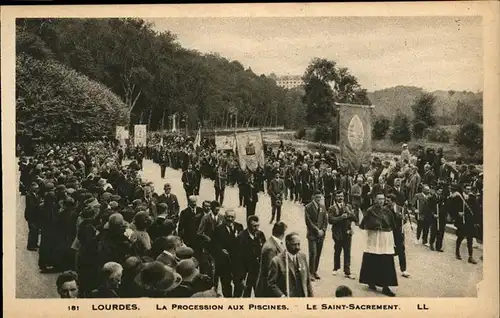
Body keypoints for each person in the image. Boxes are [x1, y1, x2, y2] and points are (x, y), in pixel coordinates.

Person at [359, 193, 398, 297]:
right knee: (372, 258)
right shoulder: (370, 211)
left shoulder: (388, 211)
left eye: (383, 199)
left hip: (385, 238)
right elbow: (363, 225)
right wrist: (372, 226)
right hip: (374, 238)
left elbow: (393, 225)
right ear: (375, 199)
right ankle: (371, 281)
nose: (381, 201)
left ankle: (386, 286)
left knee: (385, 259)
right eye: (379, 199)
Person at [267, 232, 314, 297]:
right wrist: (282, 296)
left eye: (298, 244)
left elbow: (307, 281)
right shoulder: (277, 261)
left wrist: (311, 298)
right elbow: (271, 283)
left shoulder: (303, 257)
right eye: (294, 244)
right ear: (287, 243)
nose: (297, 247)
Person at [212, 209, 244, 297]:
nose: (230, 219)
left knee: (239, 284)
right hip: (225, 263)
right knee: (226, 285)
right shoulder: (218, 229)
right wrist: (220, 250)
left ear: (235, 218)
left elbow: (243, 242)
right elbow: (214, 245)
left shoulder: (239, 227)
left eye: (232, 217)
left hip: (237, 262)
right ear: (225, 217)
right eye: (228, 217)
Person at [328, 190, 357, 279]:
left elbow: (355, 218)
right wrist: (341, 217)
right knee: (337, 250)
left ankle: (347, 271)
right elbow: (330, 220)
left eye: (341, 196)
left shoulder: (348, 206)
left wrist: (350, 213)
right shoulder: (332, 208)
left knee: (347, 251)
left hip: (347, 232)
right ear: (335, 197)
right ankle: (336, 267)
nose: (340, 198)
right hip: (337, 233)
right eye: (338, 196)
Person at [255, 222, 287, 297]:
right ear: (283, 234)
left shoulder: (273, 242)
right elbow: (270, 270)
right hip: (267, 291)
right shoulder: (270, 248)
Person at [237, 215, 266, 297]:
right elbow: (238, 260)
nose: (256, 228)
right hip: (247, 272)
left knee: (260, 294)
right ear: (248, 225)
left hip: (258, 271)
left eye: (258, 225)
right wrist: (241, 278)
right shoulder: (241, 237)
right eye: (254, 226)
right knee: (246, 294)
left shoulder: (260, 235)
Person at [450, 184, 479, 264]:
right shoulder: (458, 197)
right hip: (462, 221)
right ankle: (457, 252)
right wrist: (457, 213)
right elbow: (452, 208)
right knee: (460, 237)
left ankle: (470, 257)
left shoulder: (472, 198)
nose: (468, 191)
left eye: (470, 189)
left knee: (470, 239)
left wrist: (476, 221)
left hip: (470, 222)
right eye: (467, 189)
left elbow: (476, 210)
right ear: (464, 189)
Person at [304, 190, 328, 281]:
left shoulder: (323, 207)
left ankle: (315, 271)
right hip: (312, 234)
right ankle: (310, 272)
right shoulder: (308, 207)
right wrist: (317, 230)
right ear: (313, 197)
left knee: (318, 253)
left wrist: (323, 230)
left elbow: (325, 220)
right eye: (317, 197)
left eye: (320, 197)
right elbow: (308, 221)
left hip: (321, 235)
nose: (318, 199)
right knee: (313, 253)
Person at [386, 194, 410, 278]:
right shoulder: (386, 209)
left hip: (399, 233)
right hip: (389, 232)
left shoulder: (401, 209)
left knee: (401, 250)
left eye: (388, 201)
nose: (386, 202)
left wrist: (402, 217)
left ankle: (403, 270)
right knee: (388, 251)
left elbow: (405, 220)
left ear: (393, 201)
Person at [25, 182, 42, 251]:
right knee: (33, 230)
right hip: (31, 215)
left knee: (36, 230)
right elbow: (32, 206)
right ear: (32, 188)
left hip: (35, 215)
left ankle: (34, 243)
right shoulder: (29, 195)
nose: (37, 189)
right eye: (36, 188)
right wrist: (39, 204)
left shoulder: (34, 194)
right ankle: (30, 245)